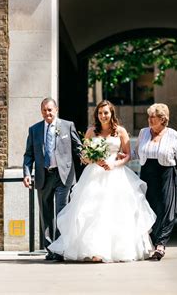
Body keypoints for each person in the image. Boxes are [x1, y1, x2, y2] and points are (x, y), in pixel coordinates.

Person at [48, 100, 156, 263]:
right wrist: (93, 158)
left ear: (112, 113)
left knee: (115, 212)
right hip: (94, 175)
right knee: (92, 211)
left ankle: (118, 250)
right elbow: (83, 156)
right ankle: (94, 250)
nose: (103, 116)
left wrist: (114, 164)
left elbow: (127, 155)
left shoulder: (120, 131)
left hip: (116, 174)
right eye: (100, 113)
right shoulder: (91, 131)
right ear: (96, 115)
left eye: (106, 112)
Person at [23, 97, 81, 261]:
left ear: (56, 110)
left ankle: (61, 248)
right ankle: (50, 249)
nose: (47, 113)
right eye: (44, 110)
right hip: (43, 176)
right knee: (46, 213)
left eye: (50, 110)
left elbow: (78, 147)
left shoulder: (67, 126)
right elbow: (29, 154)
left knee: (61, 211)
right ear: (41, 111)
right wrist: (27, 173)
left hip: (63, 175)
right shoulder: (34, 130)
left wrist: (89, 157)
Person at [134, 103, 177, 261]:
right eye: (149, 116)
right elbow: (136, 152)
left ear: (163, 119)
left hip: (167, 174)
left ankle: (161, 244)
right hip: (147, 174)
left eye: (153, 117)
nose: (149, 119)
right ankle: (152, 242)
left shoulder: (172, 134)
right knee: (150, 209)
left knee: (167, 208)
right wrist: (119, 156)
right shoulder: (143, 132)